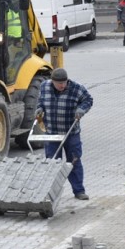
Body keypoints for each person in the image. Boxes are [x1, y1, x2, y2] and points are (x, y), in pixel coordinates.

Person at [36, 68, 94, 200]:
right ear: (53, 82)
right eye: (59, 83)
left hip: (71, 132)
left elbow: (88, 100)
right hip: (52, 133)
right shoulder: (44, 86)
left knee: (74, 161)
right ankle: (51, 193)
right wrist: (39, 108)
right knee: (52, 163)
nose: (62, 85)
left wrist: (81, 109)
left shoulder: (77, 88)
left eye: (64, 82)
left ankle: (79, 191)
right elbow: (41, 101)